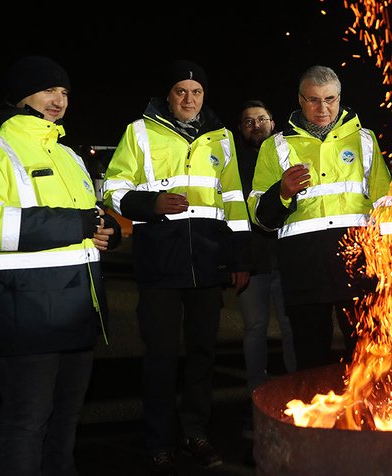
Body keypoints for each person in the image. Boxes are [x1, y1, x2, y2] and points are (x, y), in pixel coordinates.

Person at [0, 55, 121, 476]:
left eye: (64, 92)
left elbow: (91, 214)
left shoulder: (70, 155)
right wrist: (74, 223)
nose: (59, 100)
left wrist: (107, 230)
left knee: (67, 420)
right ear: (21, 94)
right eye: (49, 90)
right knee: (27, 424)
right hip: (27, 313)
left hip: (79, 310)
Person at [102, 59, 251, 475]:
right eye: (181, 91)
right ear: (168, 95)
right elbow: (113, 188)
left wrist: (239, 258)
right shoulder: (139, 131)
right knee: (161, 357)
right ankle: (158, 440)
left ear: (205, 96)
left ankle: (195, 434)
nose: (189, 98)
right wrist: (149, 205)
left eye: (197, 91)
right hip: (160, 261)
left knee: (203, 353)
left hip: (207, 261)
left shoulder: (221, 136)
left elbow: (235, 198)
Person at [247, 65, 392, 370]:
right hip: (303, 264)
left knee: (367, 354)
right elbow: (260, 216)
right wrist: (282, 192)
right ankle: (316, 416)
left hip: (357, 260)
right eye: (313, 99)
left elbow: (385, 202)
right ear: (300, 100)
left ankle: (363, 416)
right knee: (310, 357)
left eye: (330, 99)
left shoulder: (365, 140)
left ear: (340, 98)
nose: (322, 108)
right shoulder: (275, 146)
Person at [234, 99, 296, 434]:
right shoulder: (236, 163)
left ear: (273, 122)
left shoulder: (285, 152)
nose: (256, 125)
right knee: (255, 330)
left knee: (291, 328)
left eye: (261, 119)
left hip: (287, 260)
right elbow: (235, 216)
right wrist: (238, 261)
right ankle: (257, 396)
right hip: (253, 263)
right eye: (248, 121)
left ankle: (296, 391)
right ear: (241, 129)